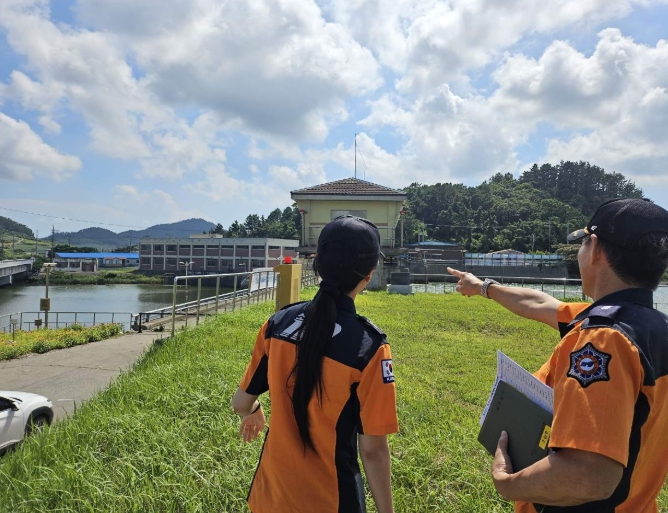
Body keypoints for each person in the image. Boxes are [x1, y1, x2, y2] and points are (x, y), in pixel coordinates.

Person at [448, 197, 668, 512]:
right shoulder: (647, 326)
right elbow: (539, 303)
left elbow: (589, 476)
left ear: (595, 249)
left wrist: (507, 483)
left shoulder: (603, 339)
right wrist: (483, 287)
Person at [232, 215, 399, 513]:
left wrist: (255, 411)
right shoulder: (369, 348)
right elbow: (373, 451)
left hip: (270, 497)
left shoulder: (277, 324)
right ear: (369, 274)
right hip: (332, 501)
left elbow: (241, 403)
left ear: (317, 264)